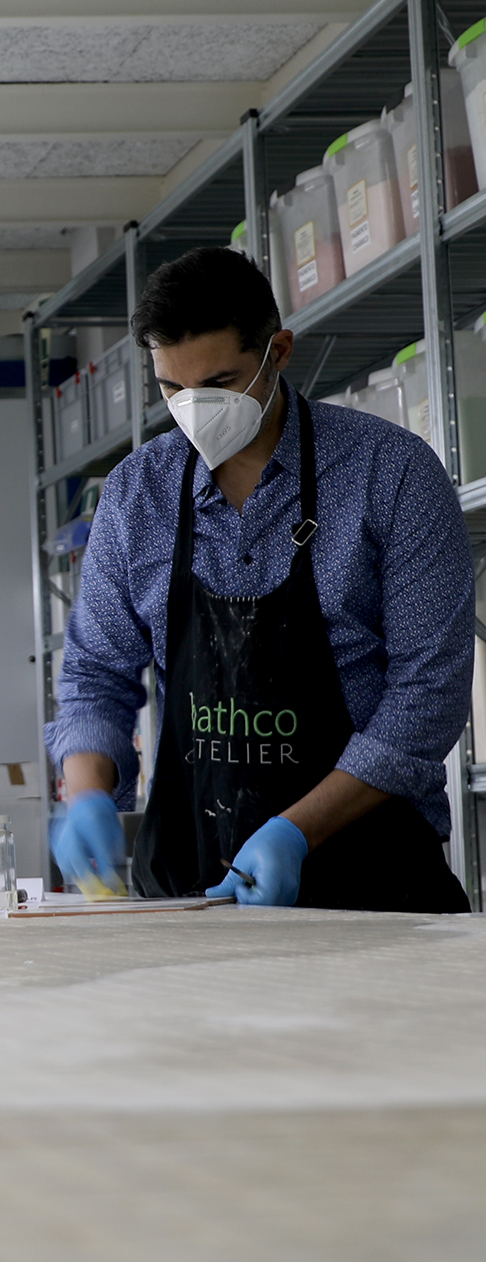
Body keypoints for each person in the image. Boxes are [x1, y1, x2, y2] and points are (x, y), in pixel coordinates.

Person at [48, 244, 473, 912]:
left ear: (278, 351)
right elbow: (95, 674)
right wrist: (86, 792)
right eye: (172, 389)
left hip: (372, 879)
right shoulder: (137, 494)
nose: (195, 409)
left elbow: (427, 698)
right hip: (193, 889)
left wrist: (295, 832)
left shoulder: (390, 474)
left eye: (219, 384)